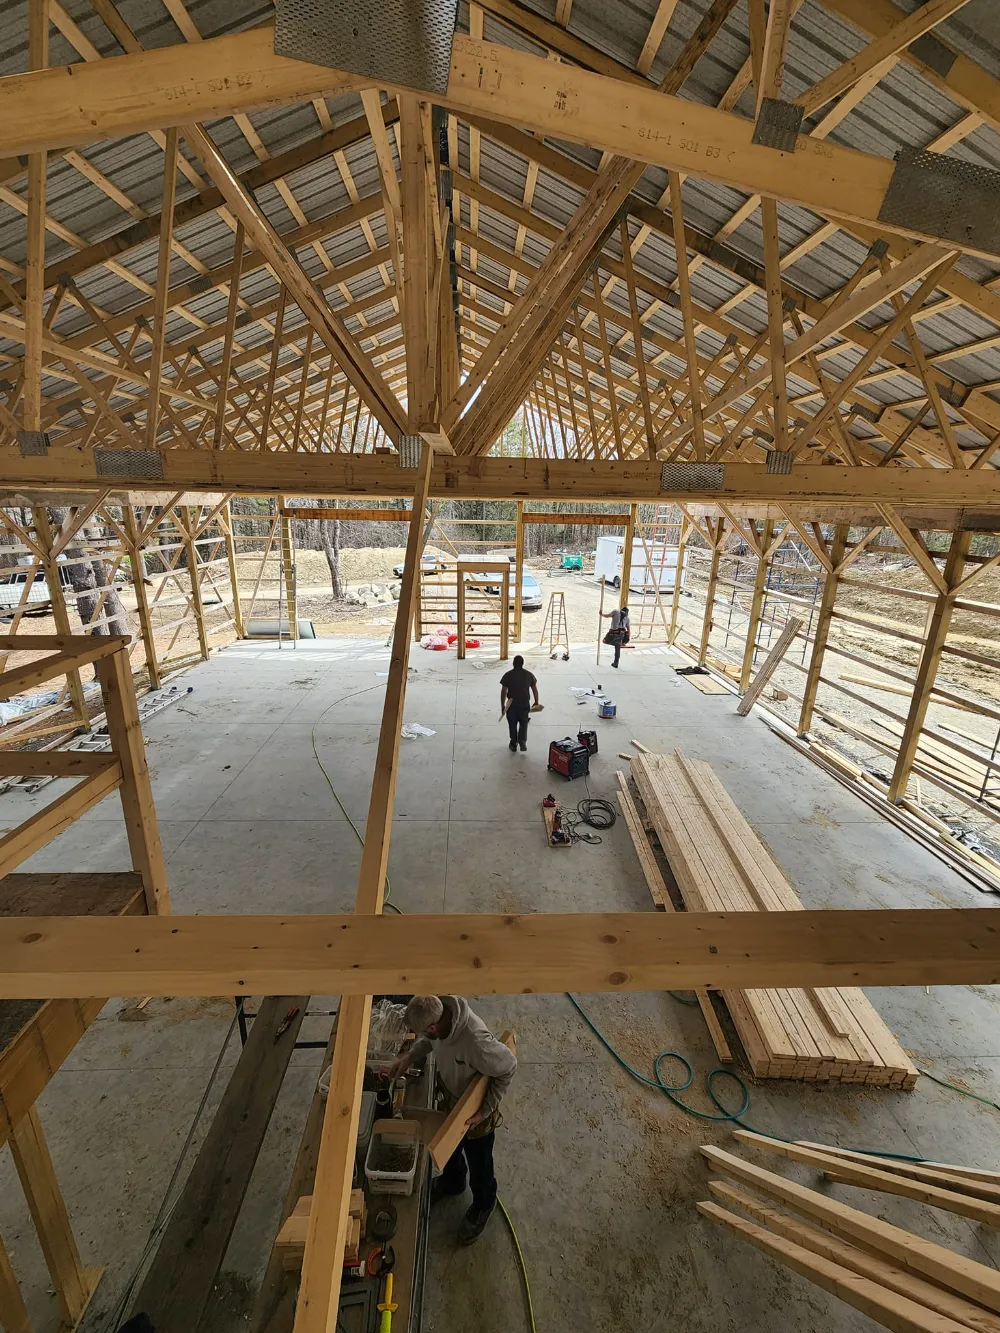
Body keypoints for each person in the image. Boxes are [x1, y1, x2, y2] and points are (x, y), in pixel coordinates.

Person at [390, 996, 517, 1245]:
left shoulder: (476, 1043)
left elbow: (508, 1067)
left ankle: (484, 1202)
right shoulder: (440, 1014)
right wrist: (409, 1057)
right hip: (450, 1096)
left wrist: (485, 1109)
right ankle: (454, 1181)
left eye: (423, 1033)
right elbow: (428, 1042)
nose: (424, 1037)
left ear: (433, 1027)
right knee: (450, 1147)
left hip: (474, 1111)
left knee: (479, 1162)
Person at [499, 654, 539, 752]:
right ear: (522, 664)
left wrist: (503, 706)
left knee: (512, 724)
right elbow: (534, 690)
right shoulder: (529, 675)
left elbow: (503, 691)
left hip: (511, 704)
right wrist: (536, 702)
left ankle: (513, 743)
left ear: (513, 664)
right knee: (523, 723)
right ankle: (522, 741)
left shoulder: (508, 675)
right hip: (524, 703)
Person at [601, 603, 630, 667]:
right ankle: (616, 662)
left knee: (604, 641)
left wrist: (601, 614)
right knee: (617, 647)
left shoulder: (616, 611)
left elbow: (607, 616)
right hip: (621, 634)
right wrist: (626, 639)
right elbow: (628, 630)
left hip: (613, 633)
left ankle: (616, 643)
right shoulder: (627, 618)